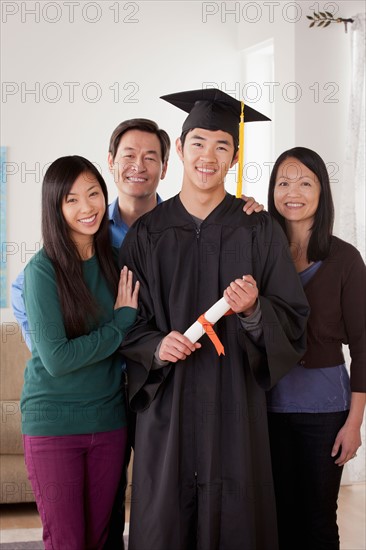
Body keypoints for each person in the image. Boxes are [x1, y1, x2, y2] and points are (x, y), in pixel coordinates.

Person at [11, 117, 262, 548]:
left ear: (168, 164)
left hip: (152, 395)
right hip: (93, 396)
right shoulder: (85, 240)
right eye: (128, 155)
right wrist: (72, 358)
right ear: (112, 162)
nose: (139, 165)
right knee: (81, 529)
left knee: (138, 506)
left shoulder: (190, 229)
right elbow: (34, 315)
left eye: (151, 157)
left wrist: (240, 210)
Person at [118, 88, 310, 550]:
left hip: (234, 404)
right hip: (170, 402)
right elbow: (126, 320)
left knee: (237, 519)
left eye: (222, 146)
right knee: (165, 520)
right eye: (198, 143)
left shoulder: (257, 229)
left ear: (235, 157)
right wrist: (156, 347)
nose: (209, 156)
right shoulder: (147, 233)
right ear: (180, 150)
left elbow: (293, 317)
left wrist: (253, 311)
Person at [20, 155, 140, 549]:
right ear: (55, 208)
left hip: (108, 421)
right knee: (68, 541)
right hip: (54, 424)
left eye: (93, 194)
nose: (86, 207)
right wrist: (118, 325)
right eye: (71, 199)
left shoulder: (117, 263)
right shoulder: (43, 270)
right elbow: (56, 358)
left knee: (100, 537)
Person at [265, 147, 366, 550]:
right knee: (276, 517)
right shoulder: (261, 253)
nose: (294, 192)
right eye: (283, 182)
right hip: (267, 409)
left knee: (318, 521)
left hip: (325, 413)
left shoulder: (345, 259)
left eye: (306, 182)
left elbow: (362, 343)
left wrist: (354, 423)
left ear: (322, 192)